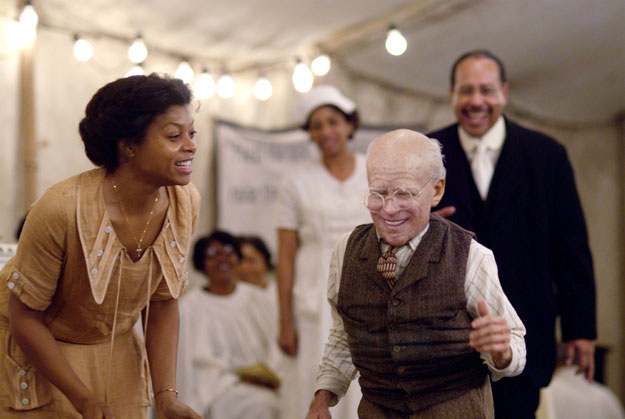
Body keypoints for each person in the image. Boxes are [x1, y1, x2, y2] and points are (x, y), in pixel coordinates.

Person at [0, 74, 201, 418]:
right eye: (174, 136)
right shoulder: (60, 207)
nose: (191, 145)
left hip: (117, 354)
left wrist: (166, 395)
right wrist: (84, 399)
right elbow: (26, 320)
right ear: (128, 146)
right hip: (41, 355)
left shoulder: (185, 202)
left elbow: (163, 303)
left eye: (191, 133)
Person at [307, 129, 526, 419]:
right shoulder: (345, 252)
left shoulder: (471, 256)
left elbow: (514, 344)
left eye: (403, 193)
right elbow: (345, 333)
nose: (388, 209)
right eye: (378, 193)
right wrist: (322, 397)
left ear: (436, 190)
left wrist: (501, 352)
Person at [428, 49, 597, 418]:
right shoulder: (426, 153)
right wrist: (422, 229)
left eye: (486, 90)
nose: (476, 101)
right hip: (445, 339)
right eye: (466, 90)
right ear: (452, 94)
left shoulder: (547, 154)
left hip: (525, 330)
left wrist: (579, 328)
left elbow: (571, 247)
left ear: (504, 92)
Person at [276, 85, 370, 418]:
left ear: (349, 124)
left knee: (366, 378)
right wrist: (285, 320)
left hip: (367, 290)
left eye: (333, 121)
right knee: (313, 377)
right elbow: (285, 255)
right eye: (317, 125)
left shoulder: (372, 170)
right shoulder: (295, 181)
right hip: (313, 297)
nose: (326, 131)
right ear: (310, 135)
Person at [177, 231, 280, 419]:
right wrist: (238, 378)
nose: (222, 259)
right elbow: (188, 365)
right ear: (202, 263)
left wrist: (269, 375)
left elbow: (274, 344)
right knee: (260, 405)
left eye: (227, 251)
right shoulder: (189, 308)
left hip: (265, 381)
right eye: (212, 254)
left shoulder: (254, 297)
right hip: (216, 388)